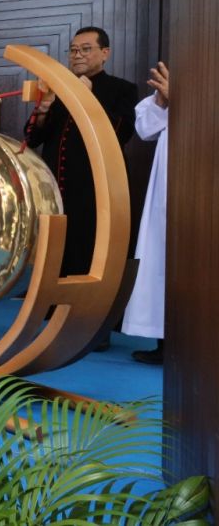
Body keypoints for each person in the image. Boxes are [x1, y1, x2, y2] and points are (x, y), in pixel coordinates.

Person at [25, 26, 137, 349]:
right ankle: (54, 316)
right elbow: (32, 138)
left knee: (92, 252)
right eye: (74, 50)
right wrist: (45, 108)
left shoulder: (121, 89)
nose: (78, 56)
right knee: (58, 249)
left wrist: (89, 97)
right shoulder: (58, 88)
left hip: (96, 189)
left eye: (86, 49)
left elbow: (123, 132)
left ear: (105, 53)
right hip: (57, 187)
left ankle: (92, 326)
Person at [122, 61, 169, 364]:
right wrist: (164, 102)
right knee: (162, 256)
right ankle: (166, 343)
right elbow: (145, 129)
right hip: (169, 182)